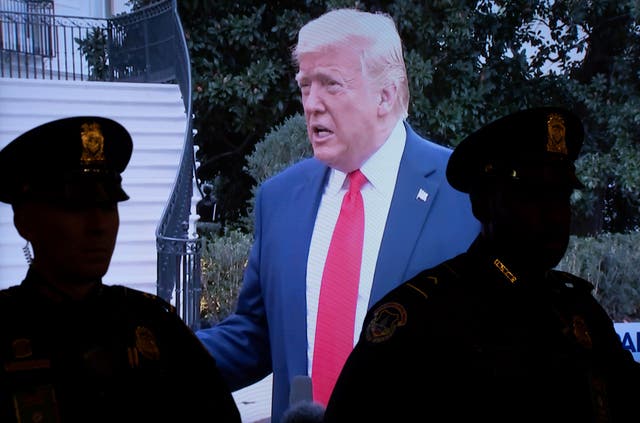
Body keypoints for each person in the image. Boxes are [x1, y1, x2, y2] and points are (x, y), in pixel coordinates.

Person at [196, 8, 480, 423]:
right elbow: (256, 337)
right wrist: (158, 352)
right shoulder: (278, 200)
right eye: (306, 85)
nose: (312, 105)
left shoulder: (466, 194)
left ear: (386, 95)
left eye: (331, 84)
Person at [323, 106, 640, 422]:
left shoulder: (579, 312)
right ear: (483, 204)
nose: (554, 213)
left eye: (561, 195)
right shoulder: (421, 319)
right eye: (534, 195)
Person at [0, 116, 241, 422]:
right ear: (25, 221)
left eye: (107, 206)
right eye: (76, 207)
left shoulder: (156, 327)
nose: (98, 225)